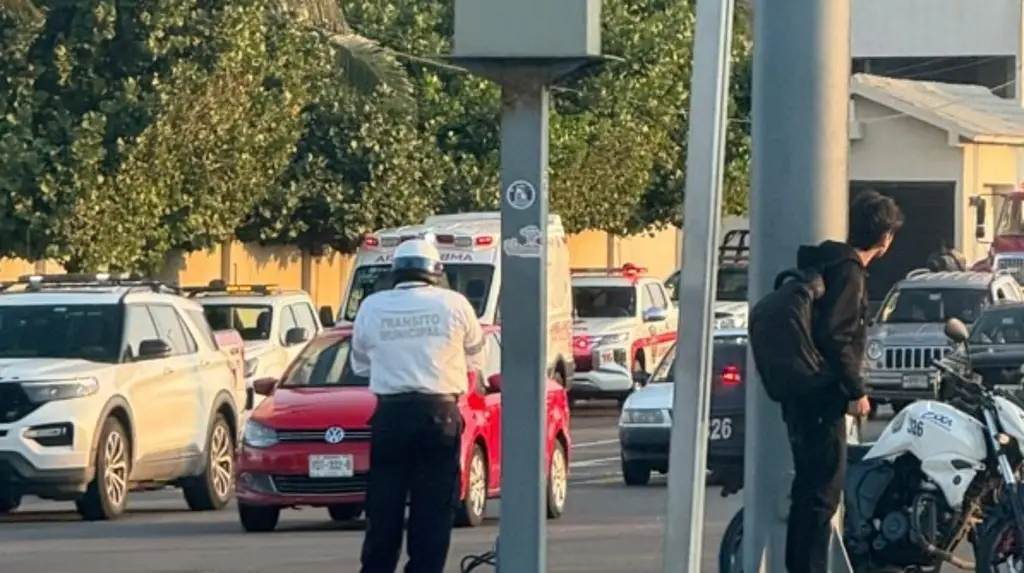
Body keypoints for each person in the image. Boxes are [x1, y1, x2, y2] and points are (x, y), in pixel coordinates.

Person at [351, 238, 488, 573]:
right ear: (436, 272)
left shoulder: (372, 306)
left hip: (390, 415)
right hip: (439, 415)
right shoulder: (454, 304)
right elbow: (476, 354)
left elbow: (360, 364)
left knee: (384, 503)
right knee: (434, 507)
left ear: (395, 271)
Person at [786, 190, 903, 573]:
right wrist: (857, 391)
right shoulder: (848, 271)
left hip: (801, 391)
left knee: (808, 491)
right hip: (822, 396)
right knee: (823, 494)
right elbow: (837, 336)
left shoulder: (826, 262)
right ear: (885, 237)